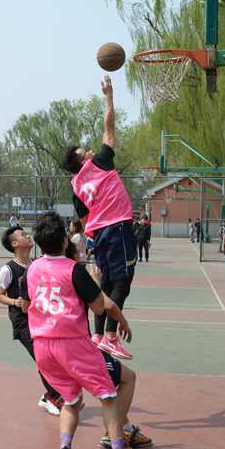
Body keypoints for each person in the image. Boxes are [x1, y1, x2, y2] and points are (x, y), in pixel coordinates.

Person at [23, 212, 148, 449]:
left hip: (42, 346)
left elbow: (26, 303)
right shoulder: (73, 270)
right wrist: (95, 283)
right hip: (72, 344)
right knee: (108, 396)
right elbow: (99, 307)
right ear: (64, 241)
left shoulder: (32, 269)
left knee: (71, 400)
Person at [60, 75, 138, 361]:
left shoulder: (75, 187)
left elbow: (84, 220)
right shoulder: (99, 162)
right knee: (123, 281)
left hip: (99, 234)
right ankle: (111, 336)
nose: (90, 150)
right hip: (117, 228)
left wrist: (92, 241)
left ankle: (96, 334)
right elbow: (109, 129)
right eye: (85, 151)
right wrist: (109, 97)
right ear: (83, 161)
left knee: (104, 282)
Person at [0, 225, 65, 416]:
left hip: (41, 319)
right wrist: (15, 301)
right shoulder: (8, 269)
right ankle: (55, 397)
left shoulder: (37, 264)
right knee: (42, 358)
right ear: (14, 244)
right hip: (22, 322)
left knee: (52, 357)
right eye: (22, 234)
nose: (27, 235)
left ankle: (49, 396)